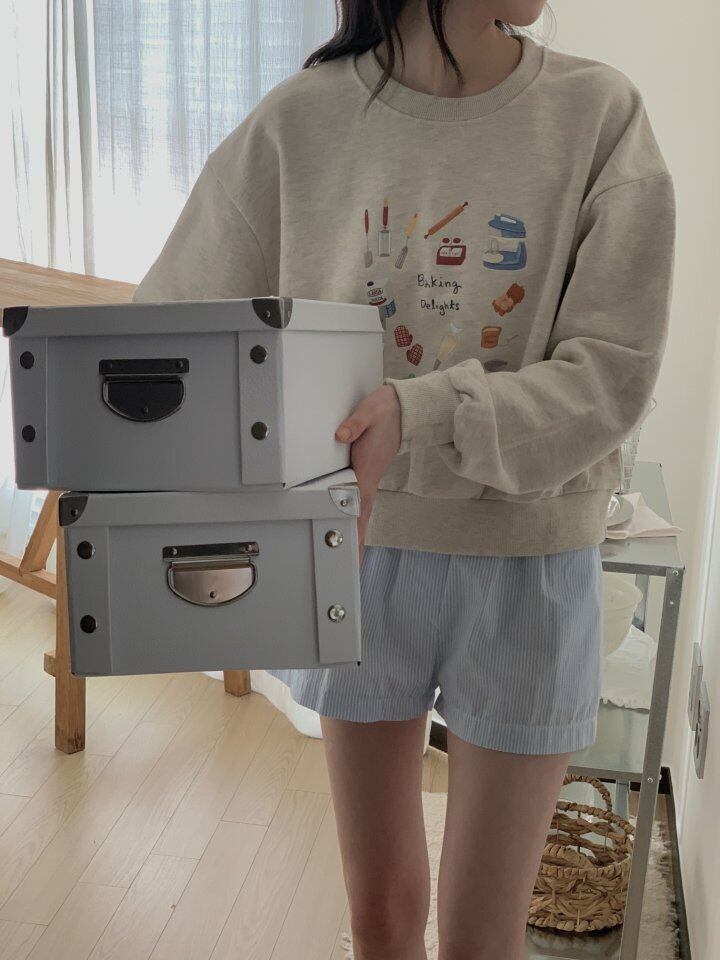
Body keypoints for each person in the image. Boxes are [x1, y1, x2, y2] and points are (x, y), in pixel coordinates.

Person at [133, 2, 675, 957]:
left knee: (482, 934)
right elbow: (171, 326)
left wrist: (419, 413)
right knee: (380, 916)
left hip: (530, 562)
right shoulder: (299, 120)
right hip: (356, 553)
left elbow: (613, 376)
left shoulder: (599, 115)